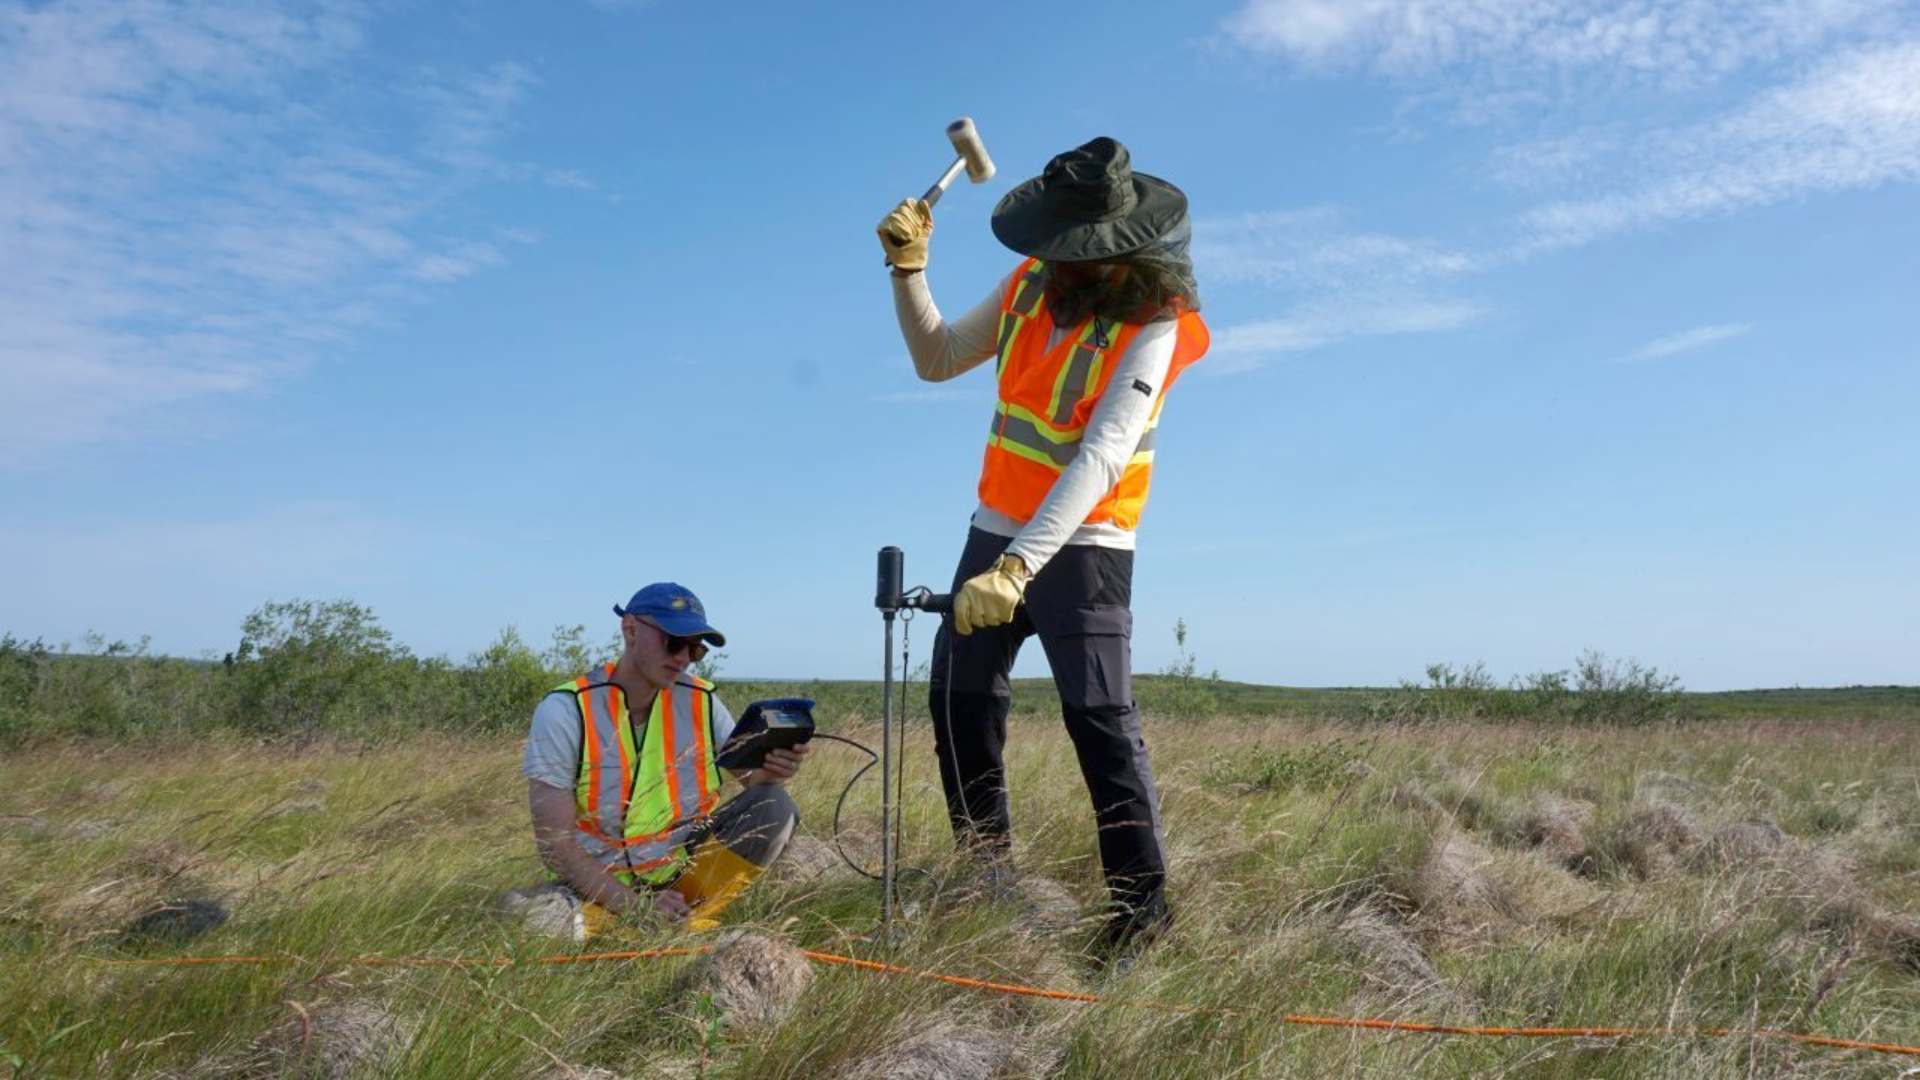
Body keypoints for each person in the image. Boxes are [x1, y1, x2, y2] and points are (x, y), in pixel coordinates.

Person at [875, 137, 1209, 956]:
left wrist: (1020, 567)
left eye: (1070, 250)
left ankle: (1141, 916)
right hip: (993, 527)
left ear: (1117, 249)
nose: (1053, 262)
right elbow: (938, 358)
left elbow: (1101, 454)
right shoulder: (1029, 286)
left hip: (1089, 544)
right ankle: (985, 879)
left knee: (1099, 720)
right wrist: (908, 272)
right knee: (958, 702)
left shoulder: (1158, 326)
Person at [505, 582, 809, 940]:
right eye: (673, 641)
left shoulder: (702, 702)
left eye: (696, 649)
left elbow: (755, 784)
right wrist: (637, 907)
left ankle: (683, 918)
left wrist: (774, 771)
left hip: (686, 877)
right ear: (630, 629)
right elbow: (555, 846)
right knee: (533, 924)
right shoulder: (566, 711)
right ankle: (647, 927)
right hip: (600, 888)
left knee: (776, 807)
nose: (683, 657)